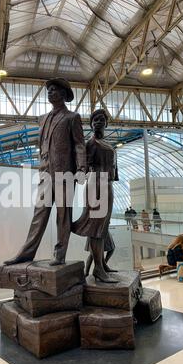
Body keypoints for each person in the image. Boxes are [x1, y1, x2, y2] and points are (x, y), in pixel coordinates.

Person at [4, 78, 86, 266]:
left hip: (65, 174)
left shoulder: (72, 117)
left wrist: (81, 168)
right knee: (39, 214)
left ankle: (60, 254)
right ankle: (26, 253)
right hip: (46, 174)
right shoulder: (43, 119)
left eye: (54, 90)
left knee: (63, 215)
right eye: (48, 90)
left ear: (64, 95)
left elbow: (80, 145)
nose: (50, 92)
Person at [72, 108, 118, 283]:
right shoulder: (89, 144)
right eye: (95, 120)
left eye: (101, 119)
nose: (98, 122)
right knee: (96, 228)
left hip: (107, 184)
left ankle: (102, 265)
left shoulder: (109, 144)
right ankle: (98, 268)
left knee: (103, 226)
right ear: (91, 124)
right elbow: (81, 167)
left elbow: (114, 171)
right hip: (95, 183)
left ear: (106, 123)